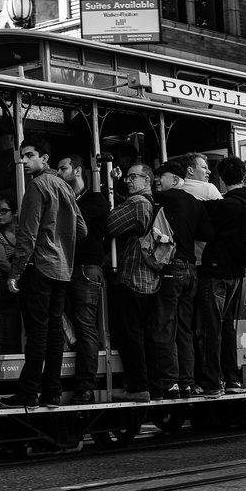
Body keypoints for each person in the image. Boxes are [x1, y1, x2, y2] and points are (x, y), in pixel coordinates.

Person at [2, 135, 85, 409]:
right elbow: (81, 230)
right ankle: (52, 392)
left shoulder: (37, 186)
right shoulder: (65, 186)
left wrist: (15, 271)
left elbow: (27, 233)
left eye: (28, 155)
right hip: (62, 270)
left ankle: (28, 394)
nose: (23, 160)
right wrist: (62, 236)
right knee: (53, 333)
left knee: (37, 333)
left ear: (44, 158)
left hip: (38, 267)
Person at [196, 156, 246, 395]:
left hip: (216, 272)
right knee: (226, 326)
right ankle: (233, 380)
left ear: (221, 179)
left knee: (209, 327)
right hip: (237, 274)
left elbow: (202, 225)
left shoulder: (222, 206)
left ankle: (211, 382)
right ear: (244, 177)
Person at [153, 160, 214, 397]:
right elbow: (207, 233)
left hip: (172, 268)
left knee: (164, 324)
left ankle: (170, 382)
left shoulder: (165, 198)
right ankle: (187, 382)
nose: (158, 180)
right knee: (184, 328)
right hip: (191, 271)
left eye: (162, 176)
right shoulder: (195, 204)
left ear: (177, 180)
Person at [105, 162, 161, 402]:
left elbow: (108, 225)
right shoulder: (152, 203)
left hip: (131, 277)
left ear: (146, 181)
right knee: (149, 336)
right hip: (151, 279)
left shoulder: (137, 203)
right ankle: (154, 385)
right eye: (126, 177)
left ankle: (137, 386)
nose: (128, 181)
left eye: (132, 177)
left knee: (131, 335)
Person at [56, 154, 109, 403]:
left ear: (77, 171)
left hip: (86, 268)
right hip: (61, 266)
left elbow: (69, 218)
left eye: (63, 169)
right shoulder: (64, 198)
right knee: (53, 317)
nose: (58, 173)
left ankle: (85, 386)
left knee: (86, 325)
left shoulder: (96, 199)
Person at [0, 195, 22, 352]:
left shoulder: (23, 231)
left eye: (4, 211)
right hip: (5, 286)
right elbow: (3, 264)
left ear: (15, 213)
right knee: (7, 326)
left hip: (22, 281)